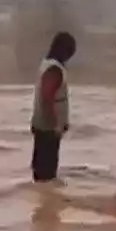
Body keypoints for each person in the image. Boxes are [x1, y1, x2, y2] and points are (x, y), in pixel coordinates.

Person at [30, 31, 76, 184]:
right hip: (48, 130)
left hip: (43, 128)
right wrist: (56, 124)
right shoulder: (54, 70)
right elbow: (47, 97)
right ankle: (46, 205)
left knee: (42, 175)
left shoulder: (47, 65)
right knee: (46, 176)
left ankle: (42, 204)